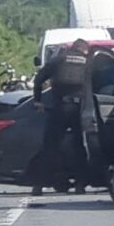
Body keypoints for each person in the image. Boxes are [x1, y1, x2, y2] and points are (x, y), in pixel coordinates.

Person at [31, 39, 91, 196]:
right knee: (79, 146)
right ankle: (80, 184)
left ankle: (39, 185)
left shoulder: (58, 60)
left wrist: (38, 101)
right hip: (80, 110)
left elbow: (38, 79)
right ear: (84, 50)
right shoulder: (89, 63)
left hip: (60, 108)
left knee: (50, 147)